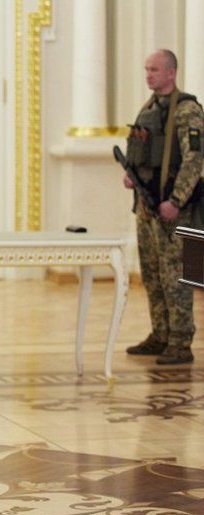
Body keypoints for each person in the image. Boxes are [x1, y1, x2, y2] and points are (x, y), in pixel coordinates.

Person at [124, 49, 203, 365]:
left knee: (176, 277)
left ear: (171, 73)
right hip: (146, 207)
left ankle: (181, 342)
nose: (149, 75)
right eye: (146, 69)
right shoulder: (150, 108)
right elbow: (143, 151)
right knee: (152, 274)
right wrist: (131, 175)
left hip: (173, 209)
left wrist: (176, 201)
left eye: (154, 70)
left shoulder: (187, 111)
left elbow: (195, 160)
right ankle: (160, 334)